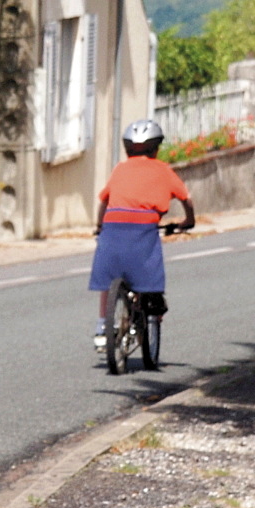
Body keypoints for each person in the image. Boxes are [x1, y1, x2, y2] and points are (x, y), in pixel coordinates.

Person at [89, 119, 195, 348]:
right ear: (156, 147)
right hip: (144, 229)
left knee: (109, 277)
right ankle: (149, 308)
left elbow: (104, 201)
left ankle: (101, 326)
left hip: (112, 227)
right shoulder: (163, 170)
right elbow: (187, 199)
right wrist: (188, 222)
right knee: (149, 276)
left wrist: (99, 227)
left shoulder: (120, 169)